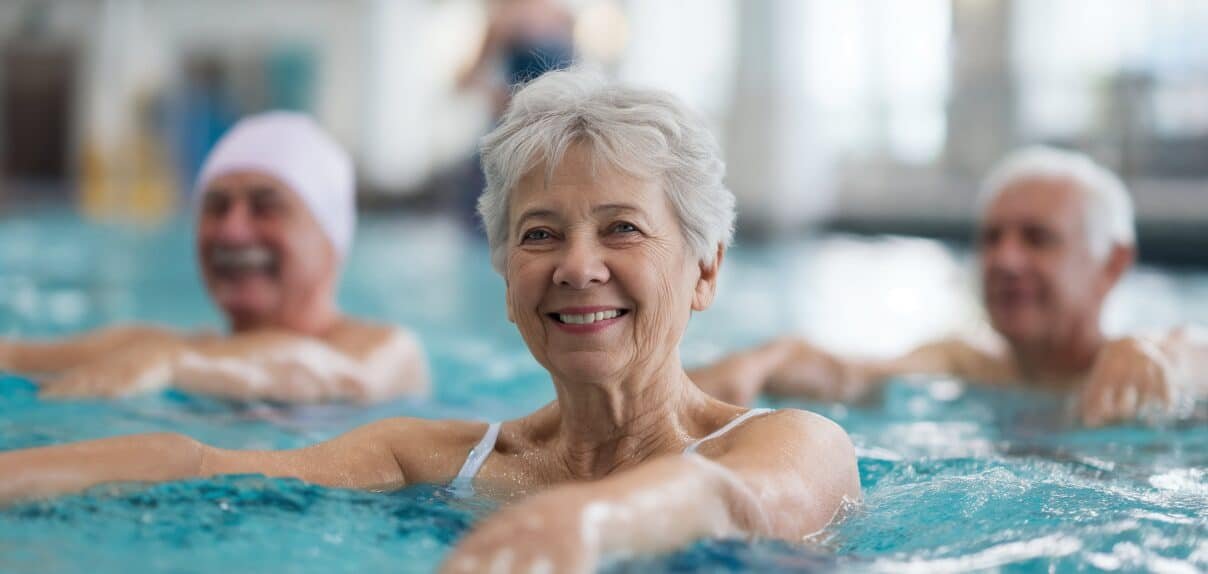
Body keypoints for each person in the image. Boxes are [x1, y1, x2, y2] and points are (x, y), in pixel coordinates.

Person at [0, 70, 860, 573]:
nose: (576, 265)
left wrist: (590, 522)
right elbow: (201, 461)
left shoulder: (795, 441)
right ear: (503, 268)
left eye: (623, 228)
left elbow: (727, 496)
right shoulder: (436, 460)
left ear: (704, 269)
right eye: (540, 234)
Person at [693, 147, 1207, 427]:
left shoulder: (1148, 363)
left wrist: (1162, 357)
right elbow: (843, 372)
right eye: (991, 238)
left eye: (1037, 239)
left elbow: (1189, 357)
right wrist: (756, 364)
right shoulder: (966, 366)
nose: (1004, 258)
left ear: (1112, 265)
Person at [0, 112, 429, 403]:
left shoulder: (387, 351)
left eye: (266, 206)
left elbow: (339, 374)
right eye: (216, 206)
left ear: (331, 236)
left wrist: (177, 365)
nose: (231, 230)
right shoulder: (158, 349)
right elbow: (16, 358)